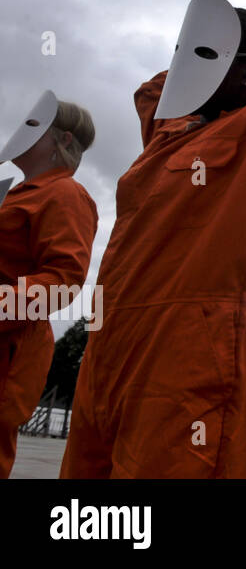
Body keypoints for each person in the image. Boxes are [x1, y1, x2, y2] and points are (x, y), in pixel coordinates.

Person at [60, 0, 246, 478]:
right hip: (107, 347)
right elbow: (151, 90)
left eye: (209, 54)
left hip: (186, 353)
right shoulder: (168, 133)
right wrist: (205, 47)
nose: (184, 66)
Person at [0, 92, 98, 479]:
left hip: (8, 349)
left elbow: (64, 280)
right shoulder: (16, 193)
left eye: (35, 127)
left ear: (64, 140)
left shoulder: (65, 194)